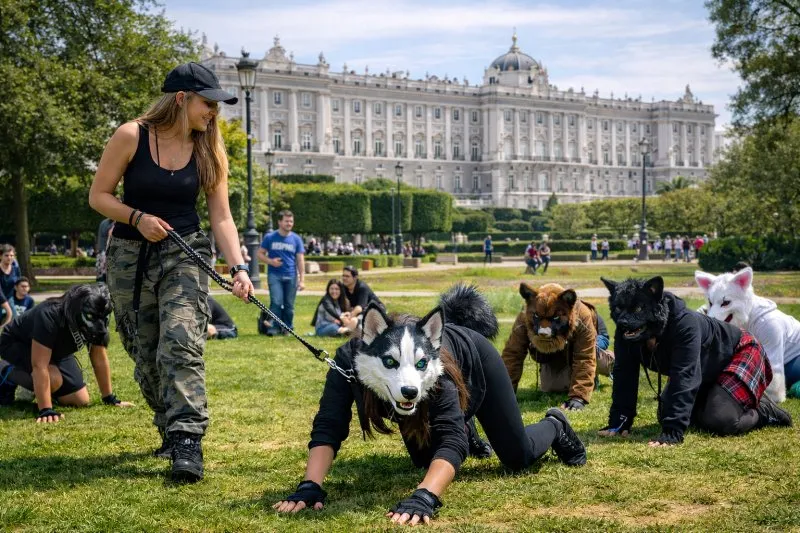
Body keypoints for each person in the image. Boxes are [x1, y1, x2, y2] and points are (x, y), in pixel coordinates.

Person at [274, 285, 586, 525]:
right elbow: (329, 425)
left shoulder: (439, 369)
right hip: (411, 385)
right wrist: (309, 486)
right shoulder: (348, 361)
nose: (408, 381)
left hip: (475, 362)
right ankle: (468, 428)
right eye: (390, 364)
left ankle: (555, 425)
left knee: (517, 456)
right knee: (425, 459)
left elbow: (451, 439)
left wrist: (426, 496)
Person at [88, 61, 253, 483]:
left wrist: (238, 267)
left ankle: (187, 439)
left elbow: (221, 217)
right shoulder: (131, 135)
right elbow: (99, 196)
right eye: (207, 103)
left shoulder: (209, 147)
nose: (213, 112)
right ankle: (167, 424)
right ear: (181, 98)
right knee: (144, 352)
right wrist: (136, 216)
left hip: (185, 251)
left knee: (180, 341)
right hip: (129, 255)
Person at [599, 276, 792, 447]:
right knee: (666, 413)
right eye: (619, 309)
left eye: (638, 309)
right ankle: (721, 398)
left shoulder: (684, 325)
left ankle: (763, 410)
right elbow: (624, 374)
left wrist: (672, 431)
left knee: (720, 419)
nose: (624, 319)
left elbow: (685, 375)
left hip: (740, 350)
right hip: (706, 364)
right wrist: (619, 422)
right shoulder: (628, 331)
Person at [0, 284, 134, 416]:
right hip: (18, 343)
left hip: (55, 350)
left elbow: (98, 357)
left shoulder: (98, 313)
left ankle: (38, 386)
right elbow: (40, 365)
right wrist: (46, 410)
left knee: (80, 400)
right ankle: (6, 372)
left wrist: (109, 398)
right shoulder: (49, 315)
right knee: (53, 380)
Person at [257, 210, 305, 336]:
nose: (289, 223)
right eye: (286, 221)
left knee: (289, 305)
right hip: (274, 275)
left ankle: (287, 328)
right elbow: (259, 254)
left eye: (291, 221)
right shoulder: (270, 237)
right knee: (276, 302)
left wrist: (302, 279)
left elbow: (300, 260)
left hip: (291, 275)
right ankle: (274, 327)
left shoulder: (296, 239)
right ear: (279, 222)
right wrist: (271, 261)